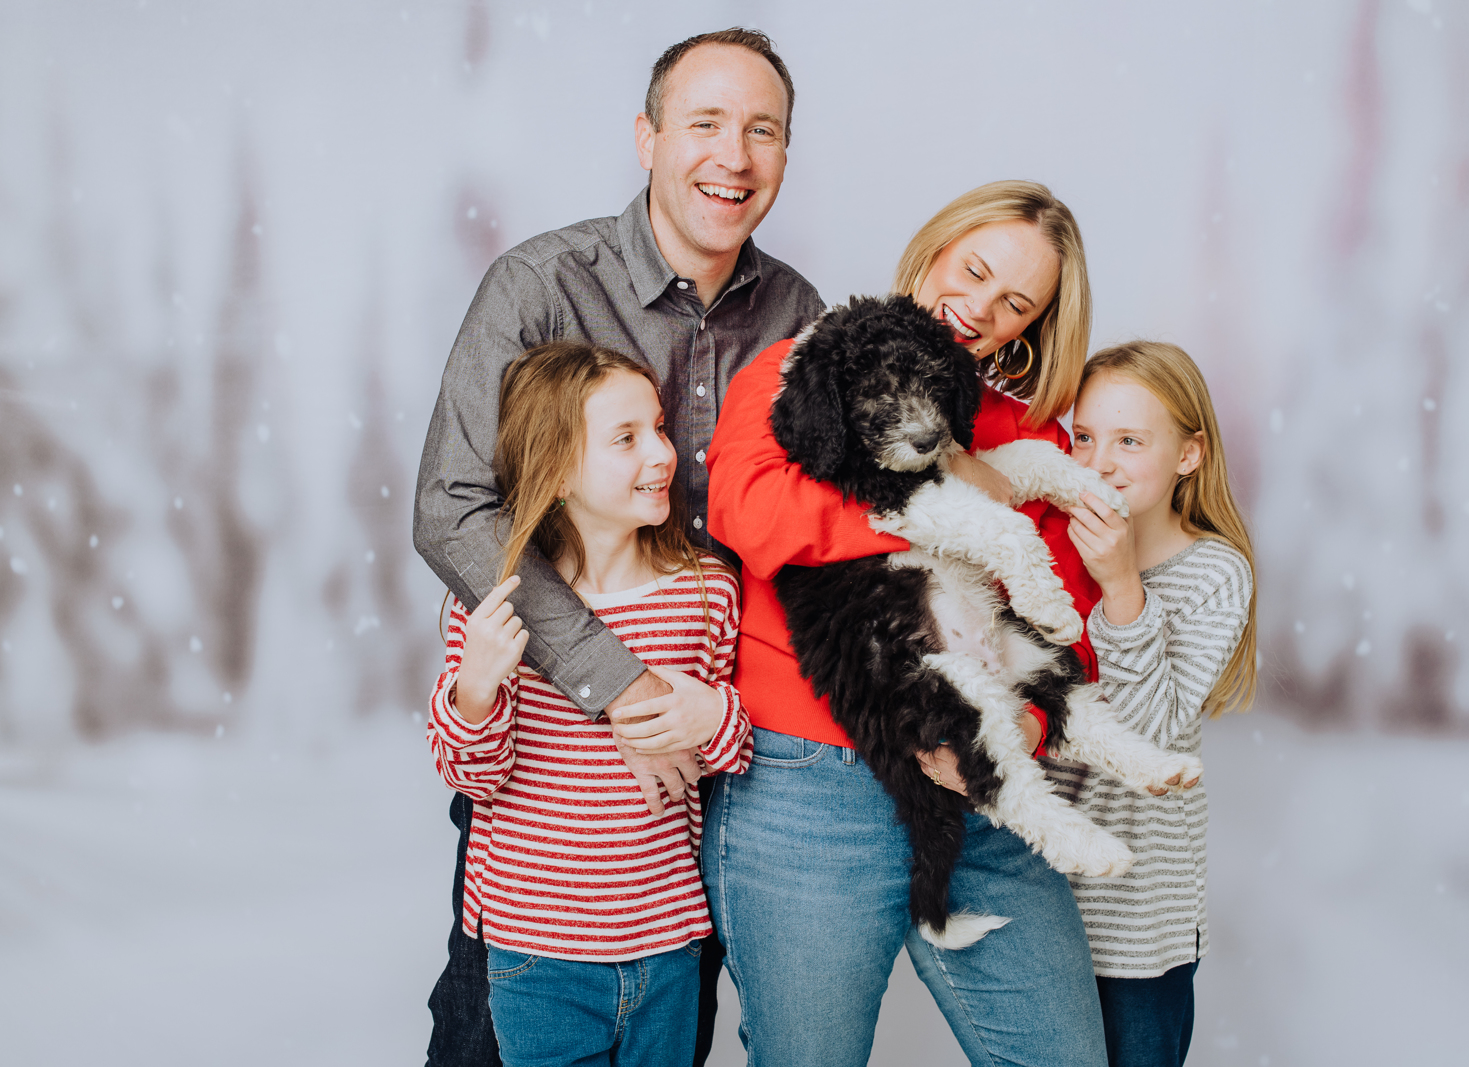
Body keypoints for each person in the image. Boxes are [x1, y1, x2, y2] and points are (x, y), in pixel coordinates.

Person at [412, 28, 822, 1066]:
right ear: (646, 137)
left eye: (761, 131)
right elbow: (453, 506)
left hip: (704, 789)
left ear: (783, 156)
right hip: (546, 782)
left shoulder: (798, 317)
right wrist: (621, 687)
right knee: (485, 1040)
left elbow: (817, 533)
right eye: (705, 124)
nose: (733, 155)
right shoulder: (541, 282)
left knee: (665, 1029)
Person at [703, 180, 1111, 1067]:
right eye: (973, 270)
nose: (979, 307)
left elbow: (1067, 620)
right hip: (807, 785)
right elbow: (750, 512)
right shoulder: (800, 368)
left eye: (1015, 304)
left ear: (1028, 331)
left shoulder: (1016, 432)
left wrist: (1028, 726)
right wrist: (940, 497)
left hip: (979, 776)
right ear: (934, 250)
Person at [427, 342, 753, 1067]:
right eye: (626, 439)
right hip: (536, 952)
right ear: (558, 469)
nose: (664, 454)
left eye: (661, 428)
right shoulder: (491, 600)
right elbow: (472, 776)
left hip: (669, 944)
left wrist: (715, 718)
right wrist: (476, 686)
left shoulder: (705, 592)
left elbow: (732, 756)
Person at [1054, 341, 1258, 1067]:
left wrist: (1120, 588)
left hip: (1138, 927)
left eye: (1130, 441)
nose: (1099, 463)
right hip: (1041, 901)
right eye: (1083, 437)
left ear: (1188, 455)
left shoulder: (1212, 571)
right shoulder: (1050, 547)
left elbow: (1148, 739)